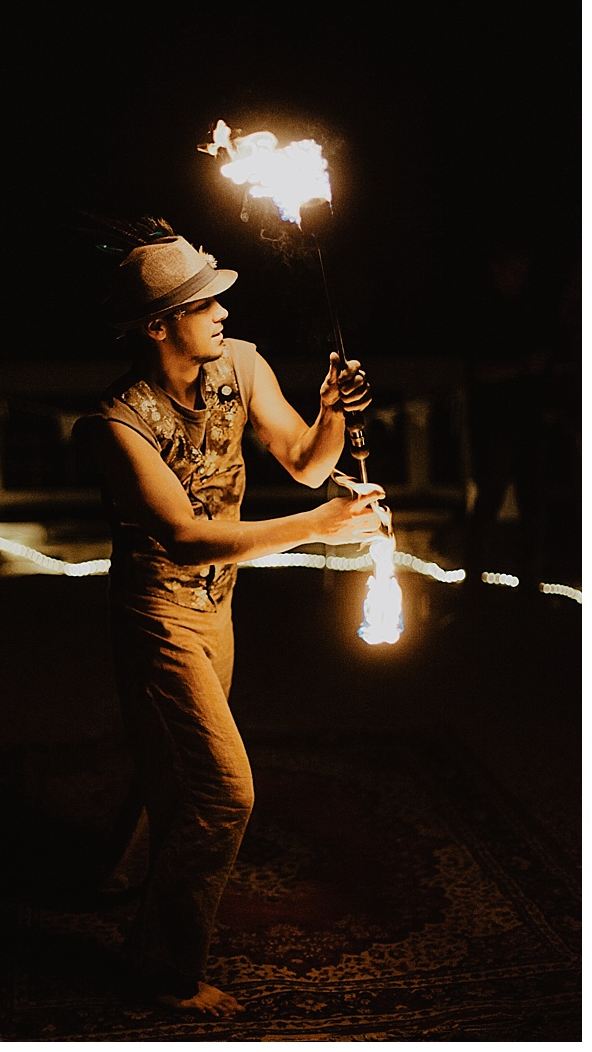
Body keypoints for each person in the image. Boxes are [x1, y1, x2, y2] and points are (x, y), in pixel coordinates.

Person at [79, 233, 382, 1017]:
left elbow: (306, 463)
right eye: (201, 303)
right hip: (157, 613)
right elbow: (183, 535)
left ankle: (114, 879)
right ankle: (163, 967)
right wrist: (316, 529)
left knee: (172, 757)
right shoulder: (113, 425)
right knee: (222, 787)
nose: (222, 310)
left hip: (220, 607)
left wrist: (329, 414)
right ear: (156, 327)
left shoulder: (241, 364)